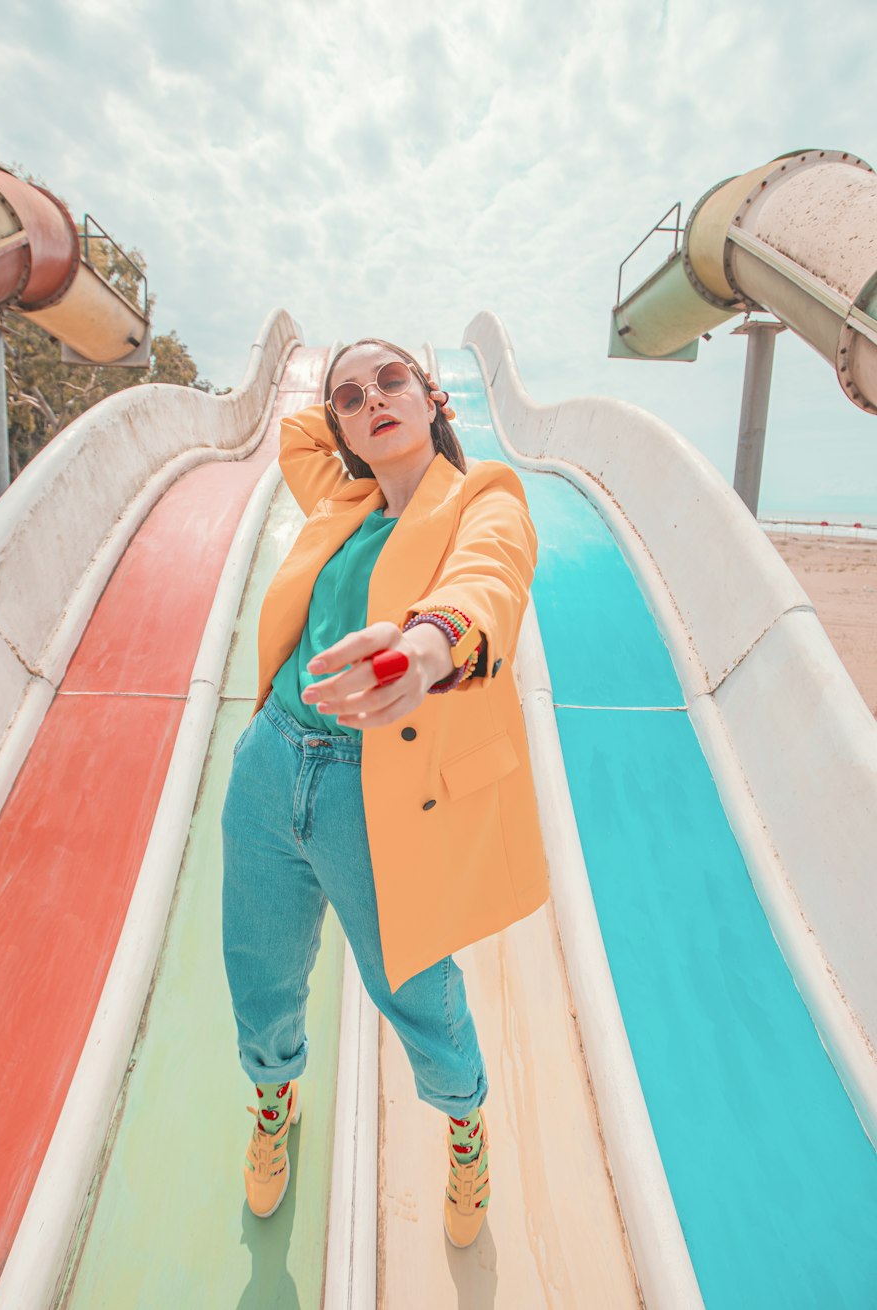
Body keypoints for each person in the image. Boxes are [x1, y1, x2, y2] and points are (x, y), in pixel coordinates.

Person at [220, 338, 549, 1248]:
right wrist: (344, 413)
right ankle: (274, 1101)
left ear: (434, 394)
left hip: (378, 788)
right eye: (352, 397)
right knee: (261, 965)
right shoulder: (341, 494)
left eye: (393, 381)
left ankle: (464, 1124)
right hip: (270, 765)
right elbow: (295, 431)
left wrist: (428, 647)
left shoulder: (481, 497)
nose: (373, 401)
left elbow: (489, 580)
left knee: (413, 983)